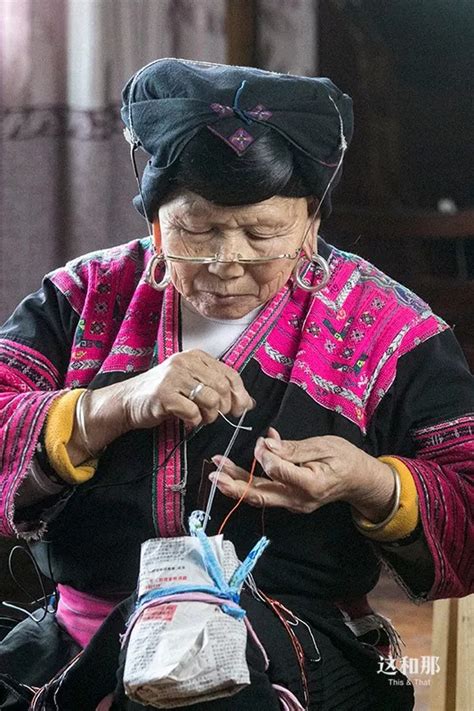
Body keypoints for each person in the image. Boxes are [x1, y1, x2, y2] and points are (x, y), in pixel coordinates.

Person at [0, 58, 472, 711]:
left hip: (305, 653)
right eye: (199, 231)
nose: (228, 261)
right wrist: (105, 408)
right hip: (81, 648)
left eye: (262, 232)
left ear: (311, 223)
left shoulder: (392, 331)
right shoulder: (78, 300)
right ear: (156, 224)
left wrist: (374, 482)